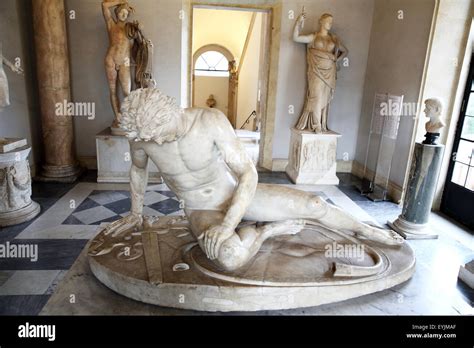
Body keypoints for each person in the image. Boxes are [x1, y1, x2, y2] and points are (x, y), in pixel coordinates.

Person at [108, 88, 403, 271]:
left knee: (314, 204)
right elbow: (138, 170)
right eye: (152, 139)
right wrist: (136, 213)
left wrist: (228, 224)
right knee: (231, 257)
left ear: (168, 112)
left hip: (236, 194)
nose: (159, 141)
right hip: (201, 210)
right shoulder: (143, 139)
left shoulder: (209, 121)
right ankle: (267, 231)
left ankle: (368, 231)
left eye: (162, 132)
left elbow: (247, 173)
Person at [293, 12, 348, 133]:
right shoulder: (314, 37)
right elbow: (296, 38)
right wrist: (298, 22)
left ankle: (320, 124)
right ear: (321, 21)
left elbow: (345, 51)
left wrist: (335, 60)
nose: (330, 24)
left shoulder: (334, 39)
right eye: (328, 21)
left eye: (331, 22)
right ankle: (316, 125)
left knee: (324, 97)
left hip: (330, 72)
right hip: (315, 71)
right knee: (316, 96)